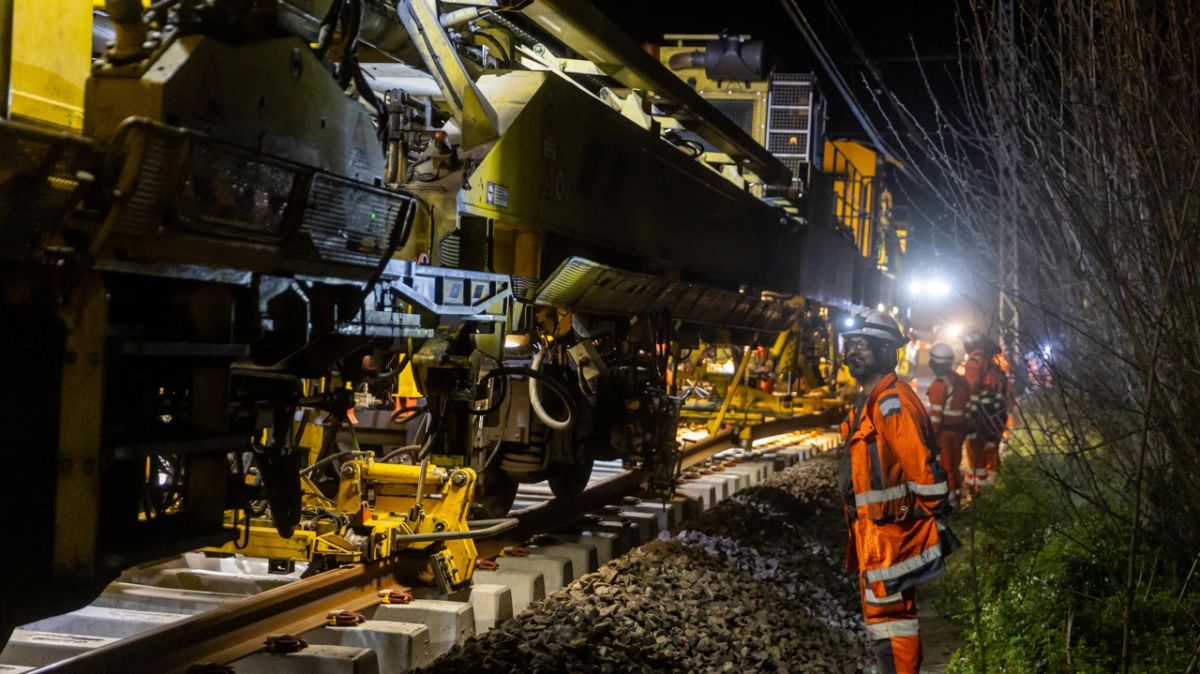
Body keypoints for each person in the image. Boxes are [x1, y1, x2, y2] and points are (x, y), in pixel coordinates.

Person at [838, 310, 959, 673]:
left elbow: (923, 475)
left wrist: (928, 520)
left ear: (887, 352)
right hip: (873, 536)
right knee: (886, 624)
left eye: (864, 345)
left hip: (892, 536)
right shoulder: (870, 402)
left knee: (896, 622)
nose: (854, 352)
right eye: (851, 344)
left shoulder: (891, 403)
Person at [961, 332, 1008, 490]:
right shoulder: (993, 366)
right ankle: (993, 488)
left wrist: (968, 415)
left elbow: (971, 388)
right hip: (997, 418)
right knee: (991, 452)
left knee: (976, 454)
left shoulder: (974, 362)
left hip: (980, 418)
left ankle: (977, 493)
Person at [926, 343, 970, 503]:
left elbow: (935, 418)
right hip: (960, 431)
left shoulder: (939, 386)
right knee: (955, 464)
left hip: (944, 433)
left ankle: (950, 500)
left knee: (946, 466)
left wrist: (929, 438)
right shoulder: (961, 381)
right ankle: (956, 495)